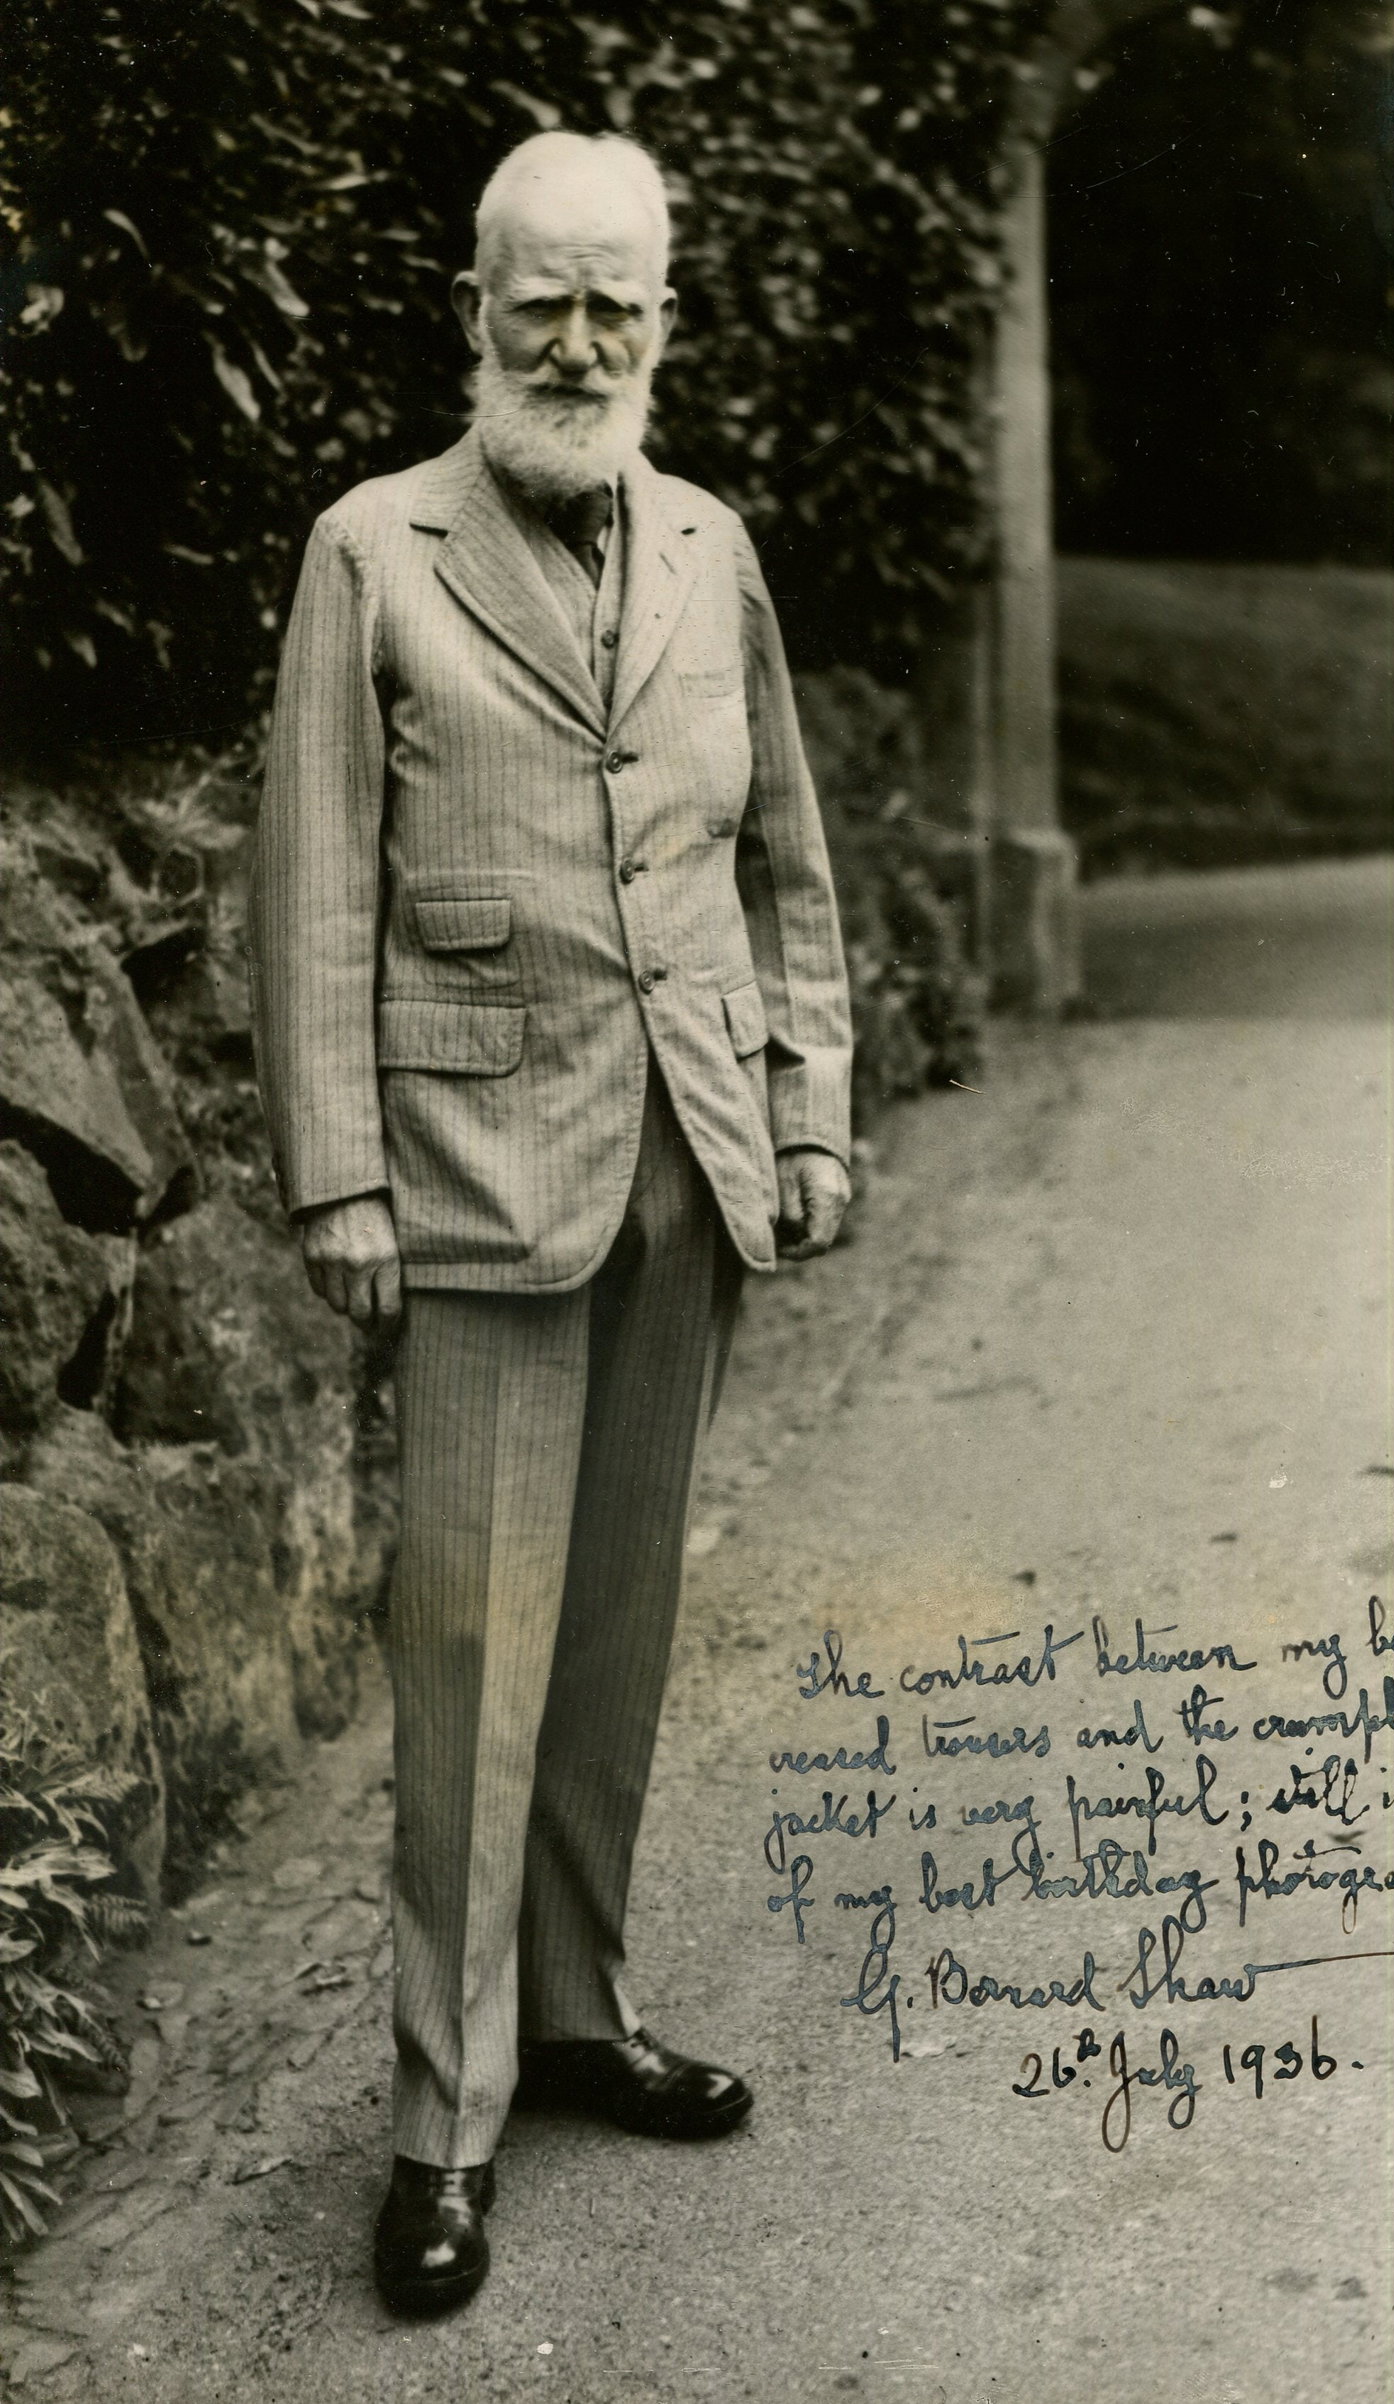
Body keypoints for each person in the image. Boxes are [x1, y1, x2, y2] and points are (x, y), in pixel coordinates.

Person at [248, 128, 853, 2316]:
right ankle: (438, 2119)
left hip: (685, 1162)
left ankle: (577, 2014)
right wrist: (337, 1170)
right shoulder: (370, 551)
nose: (578, 339)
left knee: (607, 1642)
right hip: (480, 1178)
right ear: (472, 308)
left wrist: (808, 1109)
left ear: (663, 318)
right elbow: (310, 880)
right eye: (543, 300)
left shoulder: (710, 542)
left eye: (618, 301)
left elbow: (779, 856)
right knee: (467, 1663)